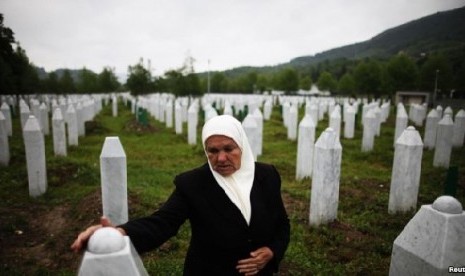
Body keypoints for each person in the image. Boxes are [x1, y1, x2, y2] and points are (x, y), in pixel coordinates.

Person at [71, 114, 290, 275]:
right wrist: (119, 232)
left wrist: (271, 252)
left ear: (242, 146)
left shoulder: (267, 175)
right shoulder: (193, 184)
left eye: (228, 148)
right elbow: (162, 223)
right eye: (212, 151)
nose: (221, 158)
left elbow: (281, 224)